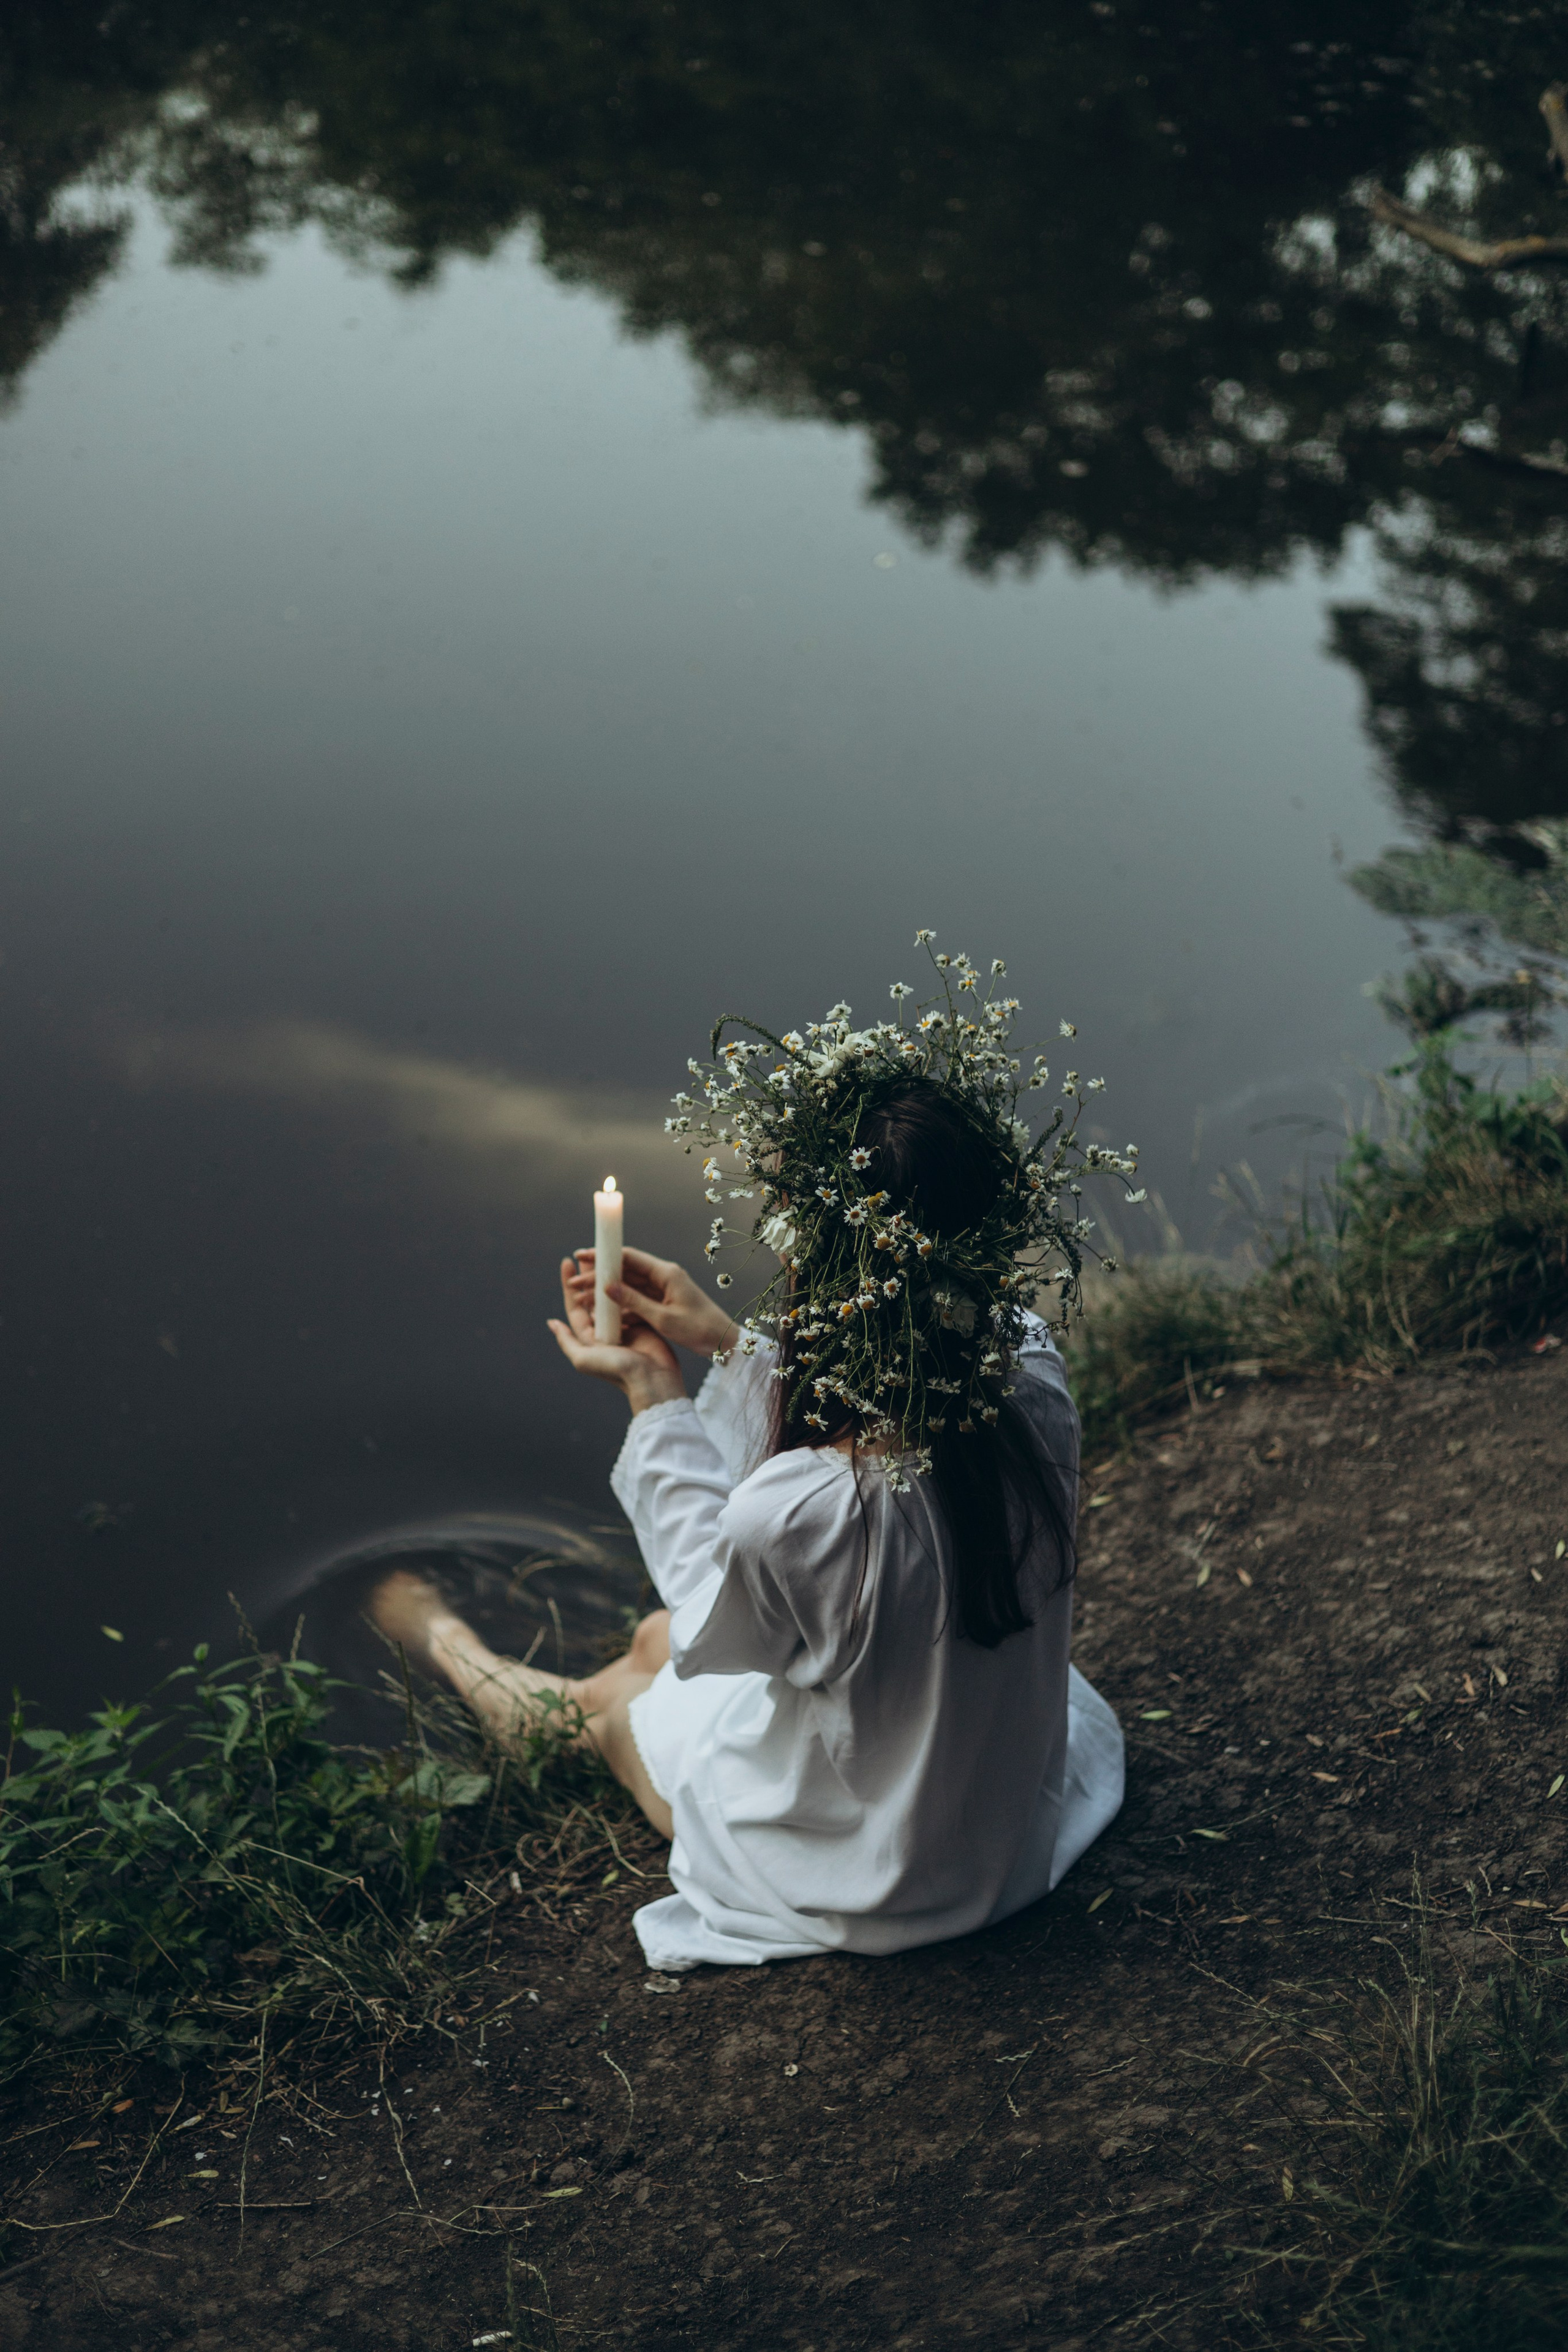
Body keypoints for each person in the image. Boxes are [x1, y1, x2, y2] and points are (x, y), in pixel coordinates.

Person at [372, 954, 1126, 1970]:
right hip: (998, 1801)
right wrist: (729, 1341)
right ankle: (501, 1675)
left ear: (823, 1262)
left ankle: (470, 1664)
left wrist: (652, 1393)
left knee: (627, 1691)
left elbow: (708, 1613)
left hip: (883, 1871)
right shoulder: (1026, 1366)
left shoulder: (815, 1510)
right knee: (648, 1641)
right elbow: (884, 1428)